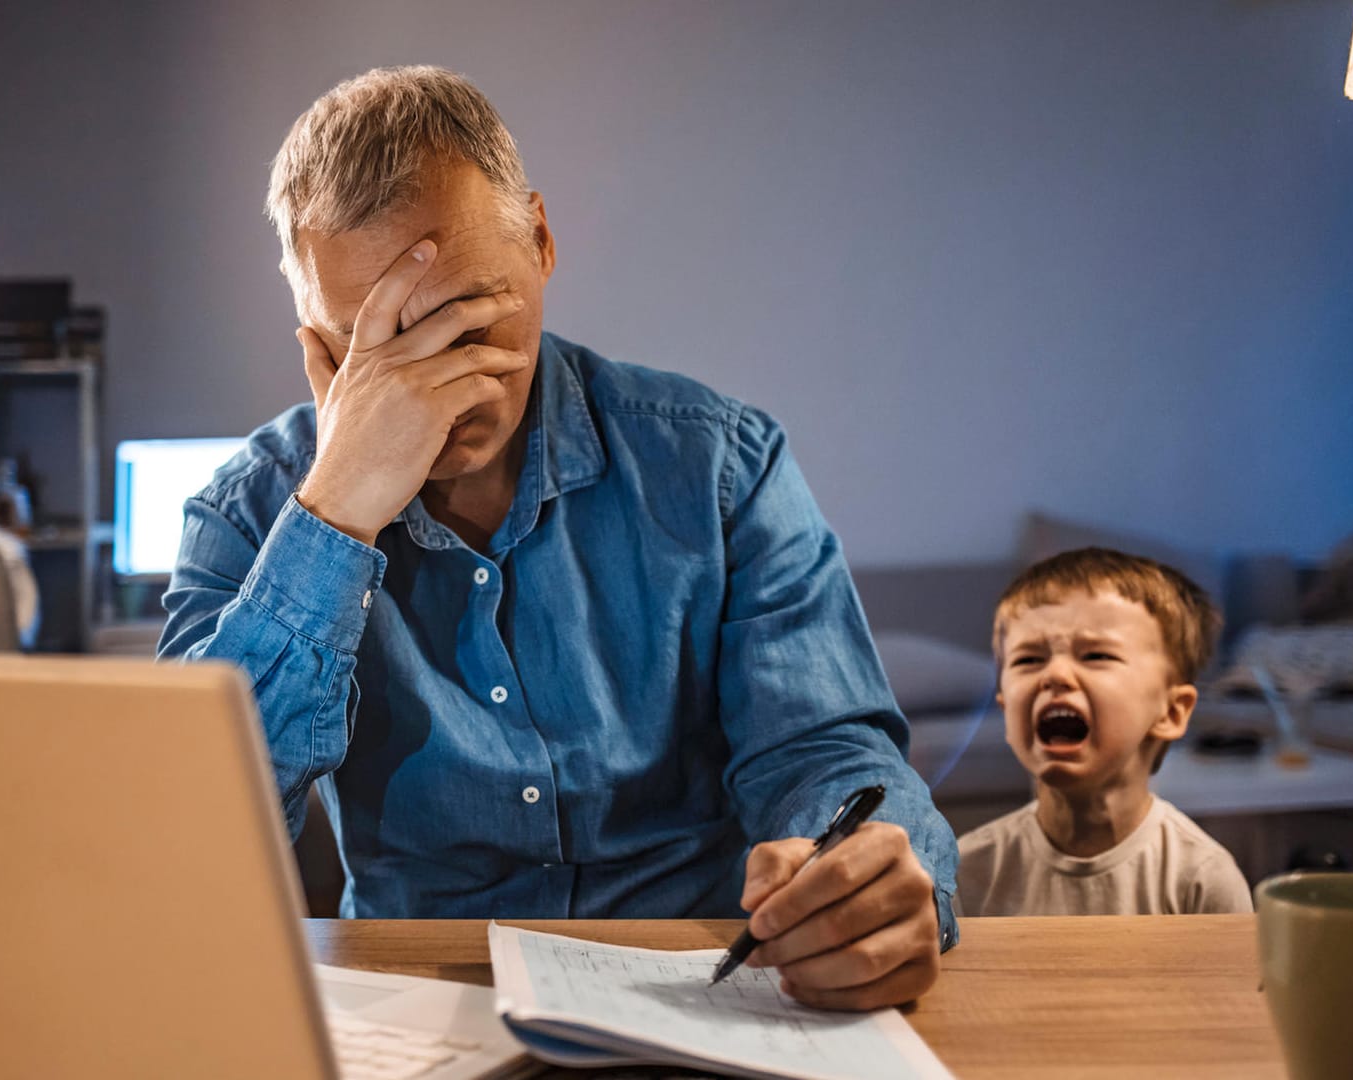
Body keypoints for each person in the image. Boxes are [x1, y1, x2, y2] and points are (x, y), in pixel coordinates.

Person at [159, 66, 958, 1010]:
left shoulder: (718, 465)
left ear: (539, 240)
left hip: (704, 987)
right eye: (383, 349)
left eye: (468, 318)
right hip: (413, 1001)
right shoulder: (251, 510)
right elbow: (185, 835)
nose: (445, 384)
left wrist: (859, 873)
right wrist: (334, 515)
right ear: (318, 343)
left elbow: (823, 753)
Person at [956, 548, 1253, 916]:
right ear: (1006, 712)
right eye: (1028, 659)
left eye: (1096, 655)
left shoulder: (1202, 879)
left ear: (1172, 712)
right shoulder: (968, 872)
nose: (1055, 675)